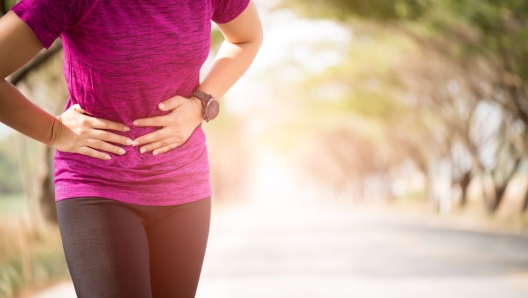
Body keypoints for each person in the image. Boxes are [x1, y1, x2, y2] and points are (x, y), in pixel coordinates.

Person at [0, 0, 263, 296]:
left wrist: (200, 104)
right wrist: (53, 130)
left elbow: (247, 37)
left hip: (183, 185)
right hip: (97, 185)